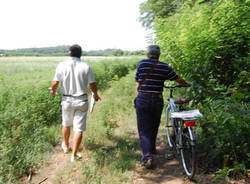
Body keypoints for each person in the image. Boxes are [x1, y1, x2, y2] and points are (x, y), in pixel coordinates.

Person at [135, 45, 191, 169]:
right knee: (154, 125)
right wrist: (187, 84)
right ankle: (152, 149)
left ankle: (147, 157)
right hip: (157, 99)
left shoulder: (142, 64)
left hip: (143, 98)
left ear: (147, 54)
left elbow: (137, 80)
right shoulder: (164, 66)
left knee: (144, 129)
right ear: (159, 55)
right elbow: (178, 79)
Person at [49, 44, 101, 162]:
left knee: (66, 124)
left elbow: (55, 82)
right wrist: (96, 95)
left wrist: (53, 90)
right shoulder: (86, 66)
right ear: (80, 54)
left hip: (66, 100)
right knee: (79, 128)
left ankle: (66, 146)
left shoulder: (61, 65)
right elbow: (92, 84)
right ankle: (74, 155)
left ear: (69, 53)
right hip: (81, 100)